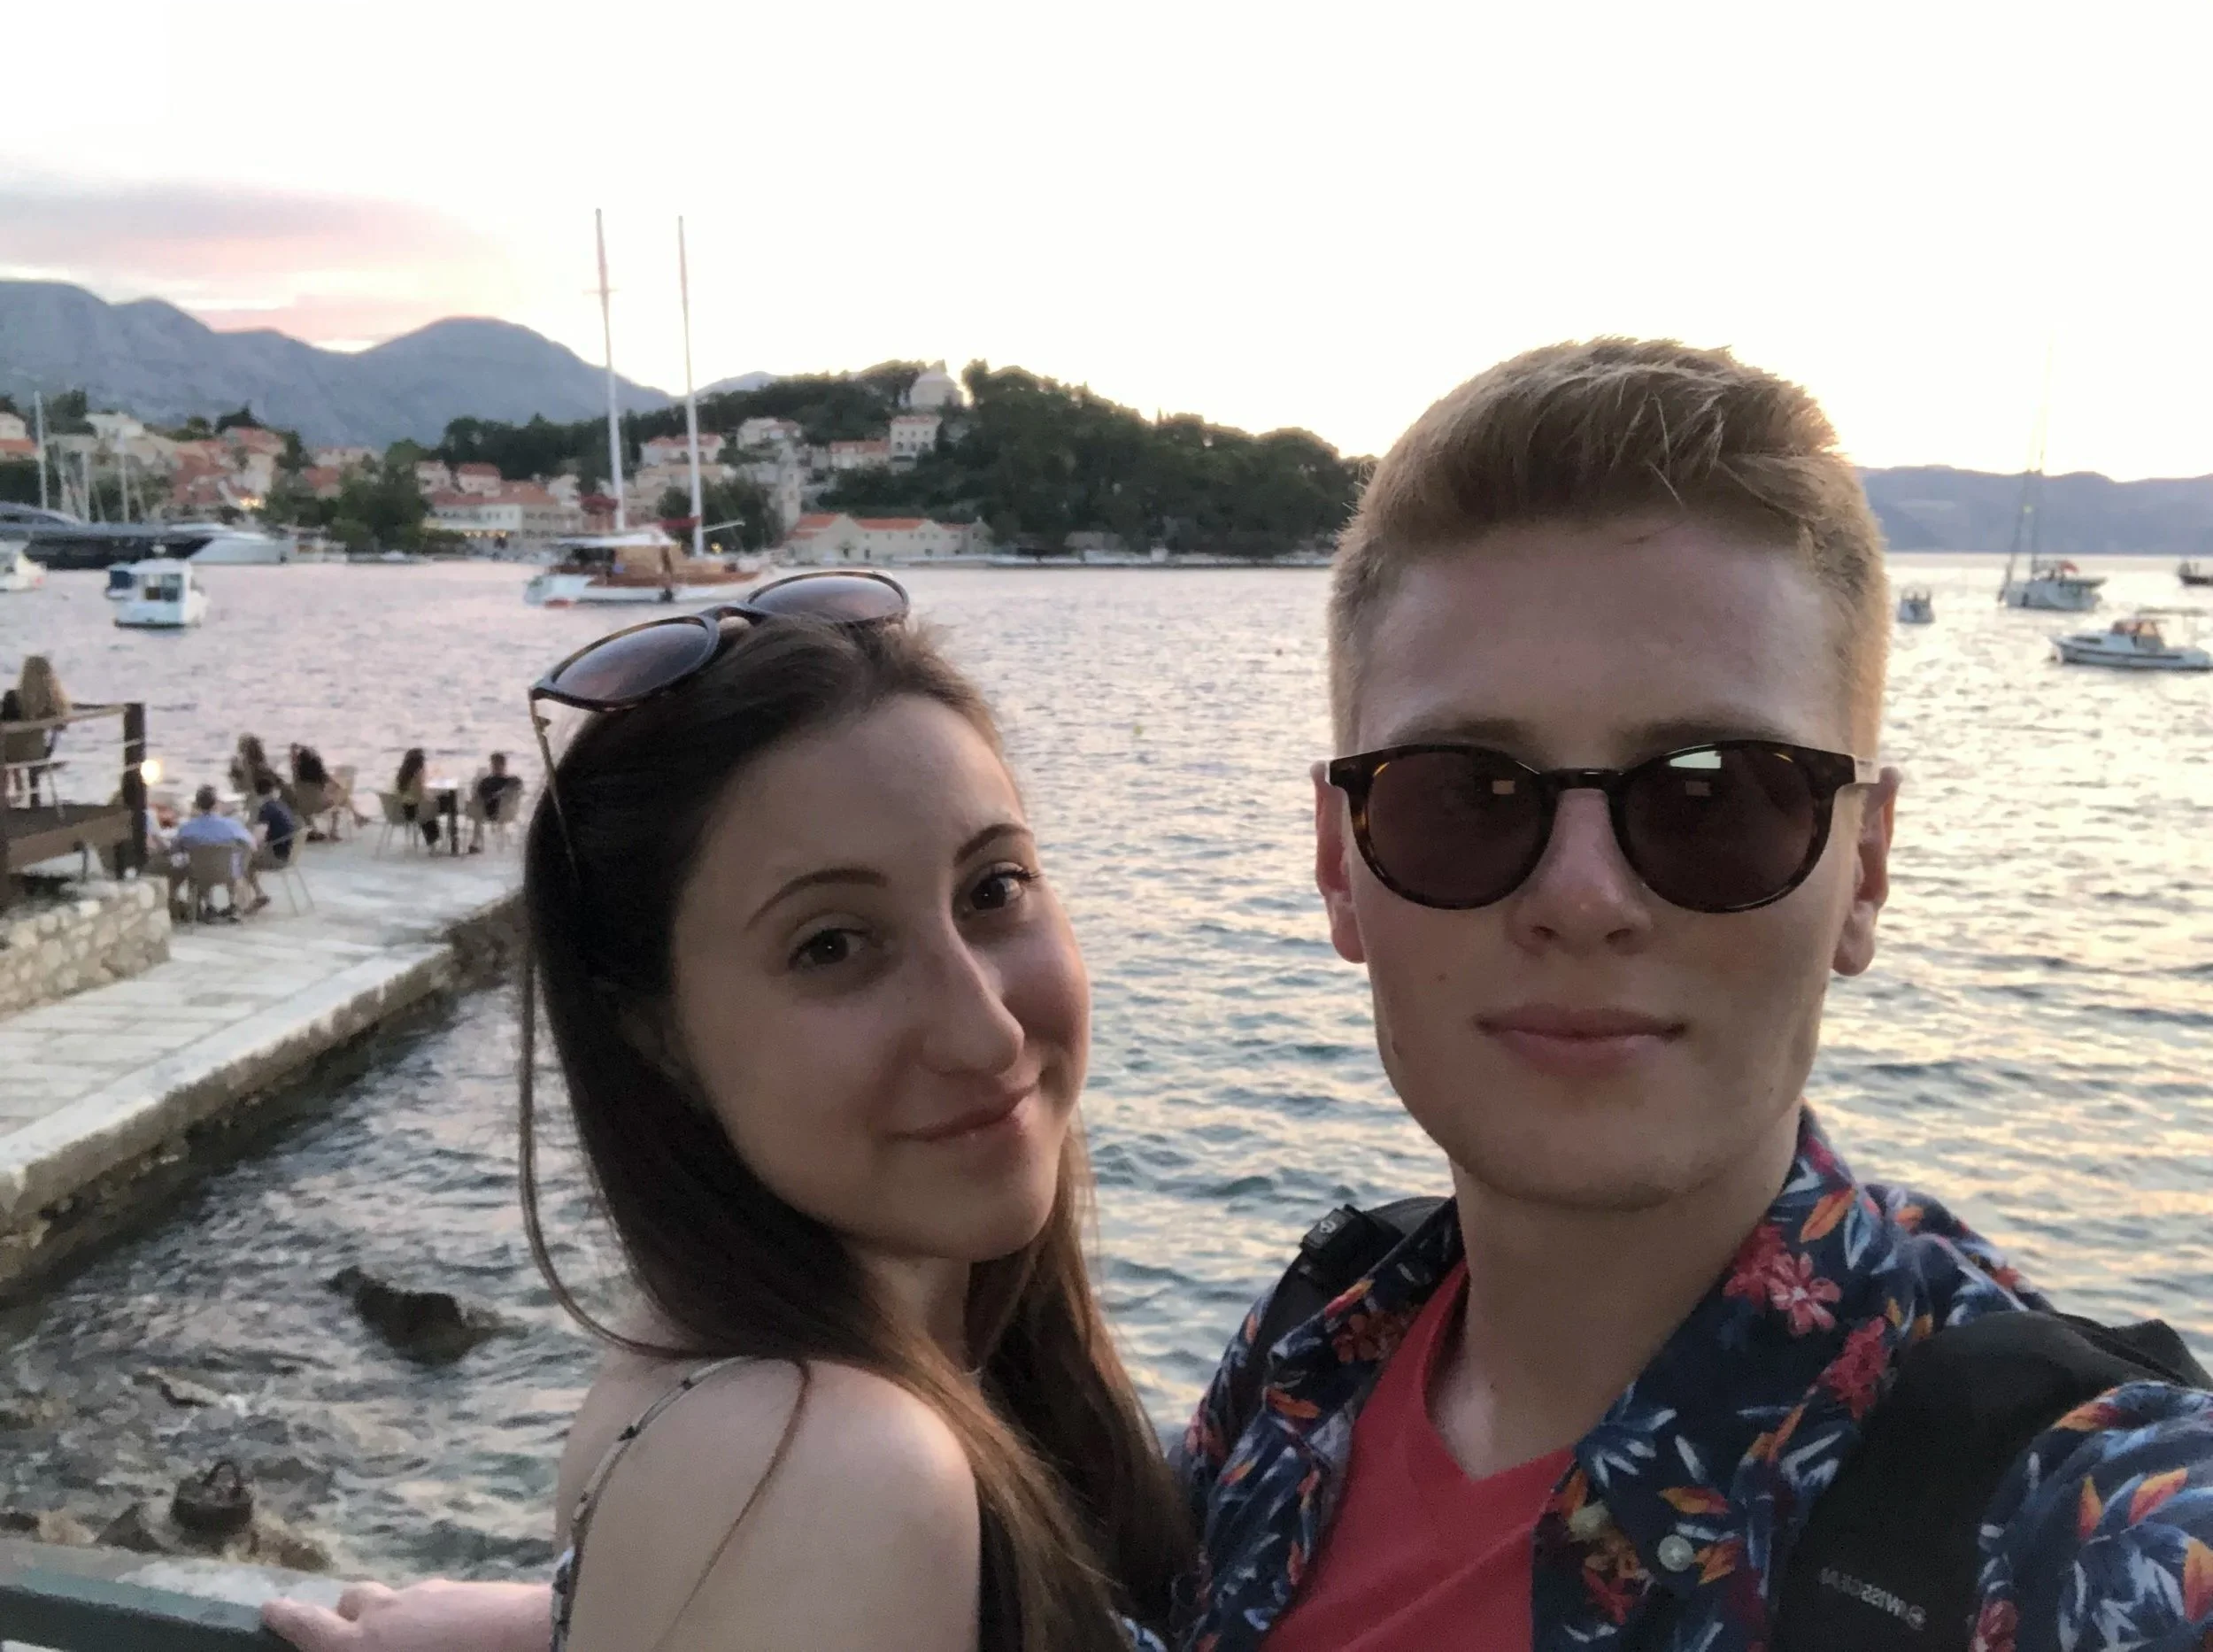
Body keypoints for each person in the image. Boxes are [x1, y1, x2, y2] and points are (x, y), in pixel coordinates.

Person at [267, 344, 2213, 1652]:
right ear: (1341, 864)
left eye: (1716, 795)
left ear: (1861, 864)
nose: (1583, 895)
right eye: (1467, 797)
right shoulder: (1319, 1356)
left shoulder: (2066, 1518)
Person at [273, 576, 1188, 1652]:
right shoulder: (832, 1473)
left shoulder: (743, 1386)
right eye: (831, 946)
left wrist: (539, 1625)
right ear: (656, 1033)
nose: (984, 1032)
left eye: (993, 889)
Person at [174, 784, 263, 918]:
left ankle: (206, 905)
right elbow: (252, 845)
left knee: (199, 863)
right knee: (233, 861)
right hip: (228, 872)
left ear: (197, 805)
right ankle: (234, 905)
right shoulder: (232, 825)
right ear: (216, 804)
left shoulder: (186, 828)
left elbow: (176, 850)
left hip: (199, 873)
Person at [2, 654, 70, 805]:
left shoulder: (11, 697)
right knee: (28, 746)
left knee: (8, 747)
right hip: (36, 754)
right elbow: (61, 727)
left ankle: (7, 797)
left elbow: (4, 728)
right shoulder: (52, 704)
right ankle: (32, 799)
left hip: (8, 753)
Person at [466, 752, 523, 853]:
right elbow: (479, 794)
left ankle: (475, 843)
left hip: (501, 811)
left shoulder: (511, 781)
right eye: (493, 764)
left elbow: (517, 787)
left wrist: (499, 793)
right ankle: (475, 843)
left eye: (497, 764)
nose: (495, 767)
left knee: (478, 811)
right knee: (477, 809)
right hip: (487, 810)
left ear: (503, 765)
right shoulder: (487, 781)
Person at [393, 748, 443, 848]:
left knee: (431, 805)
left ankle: (433, 841)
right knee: (438, 804)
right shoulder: (416, 777)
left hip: (401, 809)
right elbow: (421, 796)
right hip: (413, 811)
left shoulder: (401, 775)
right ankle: (437, 841)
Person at [255, 771, 300, 876]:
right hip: (289, 854)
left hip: (276, 857)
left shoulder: (267, 809)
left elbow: (258, 838)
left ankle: (255, 888)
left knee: (241, 864)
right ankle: (256, 888)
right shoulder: (282, 805)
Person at [291, 742, 337, 841]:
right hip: (319, 806)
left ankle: (313, 830)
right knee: (335, 805)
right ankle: (333, 832)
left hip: (303, 807)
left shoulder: (297, 774)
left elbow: (293, 759)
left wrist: (295, 749)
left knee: (302, 807)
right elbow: (336, 785)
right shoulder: (321, 775)